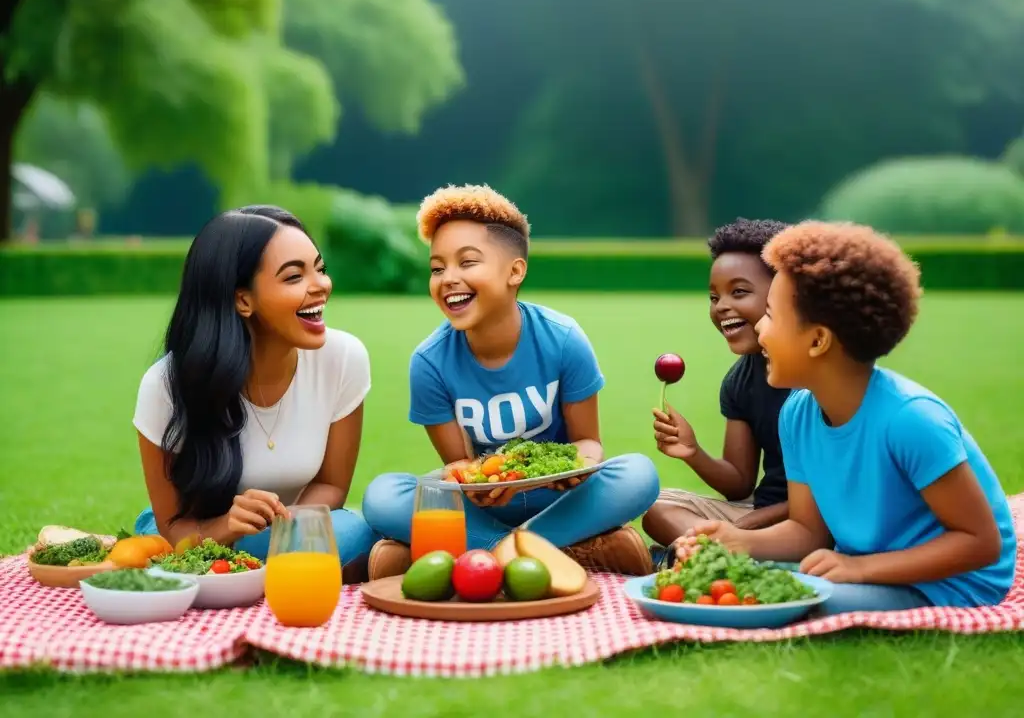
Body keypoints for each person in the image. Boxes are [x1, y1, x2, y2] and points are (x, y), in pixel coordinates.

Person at [674, 220, 1017, 615]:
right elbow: (808, 532)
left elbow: (980, 543)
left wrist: (860, 568)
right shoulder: (798, 414)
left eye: (770, 315)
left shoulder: (911, 419)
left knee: (794, 599)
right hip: (873, 562)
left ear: (818, 340)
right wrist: (736, 540)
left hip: (950, 584)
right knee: (735, 581)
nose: (761, 331)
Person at [361, 185, 660, 580]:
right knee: (382, 496)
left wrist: (580, 465)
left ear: (514, 271)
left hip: (560, 499)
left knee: (638, 474)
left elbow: (588, 442)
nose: (448, 278)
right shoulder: (429, 362)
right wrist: (477, 482)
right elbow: (458, 465)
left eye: (467, 262)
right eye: (437, 268)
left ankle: (481, 551)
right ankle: (548, 549)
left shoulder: (563, 339)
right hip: (485, 506)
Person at [132, 205, 380, 582]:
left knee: (352, 535)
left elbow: (332, 486)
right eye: (295, 276)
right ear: (243, 300)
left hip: (294, 526)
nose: (321, 285)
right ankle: (256, 569)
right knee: (171, 546)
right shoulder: (167, 386)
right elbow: (175, 527)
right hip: (200, 532)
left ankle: (246, 570)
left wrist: (283, 529)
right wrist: (229, 526)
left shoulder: (343, 358)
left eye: (321, 268)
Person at [643, 219, 792, 555]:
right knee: (657, 507)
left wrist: (744, 527)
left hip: (816, 519)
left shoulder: (813, 378)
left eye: (739, 292)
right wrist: (693, 452)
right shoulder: (740, 381)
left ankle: (707, 555)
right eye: (714, 296)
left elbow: (831, 494)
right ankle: (717, 553)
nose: (722, 306)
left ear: (784, 292)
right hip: (758, 512)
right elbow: (739, 484)